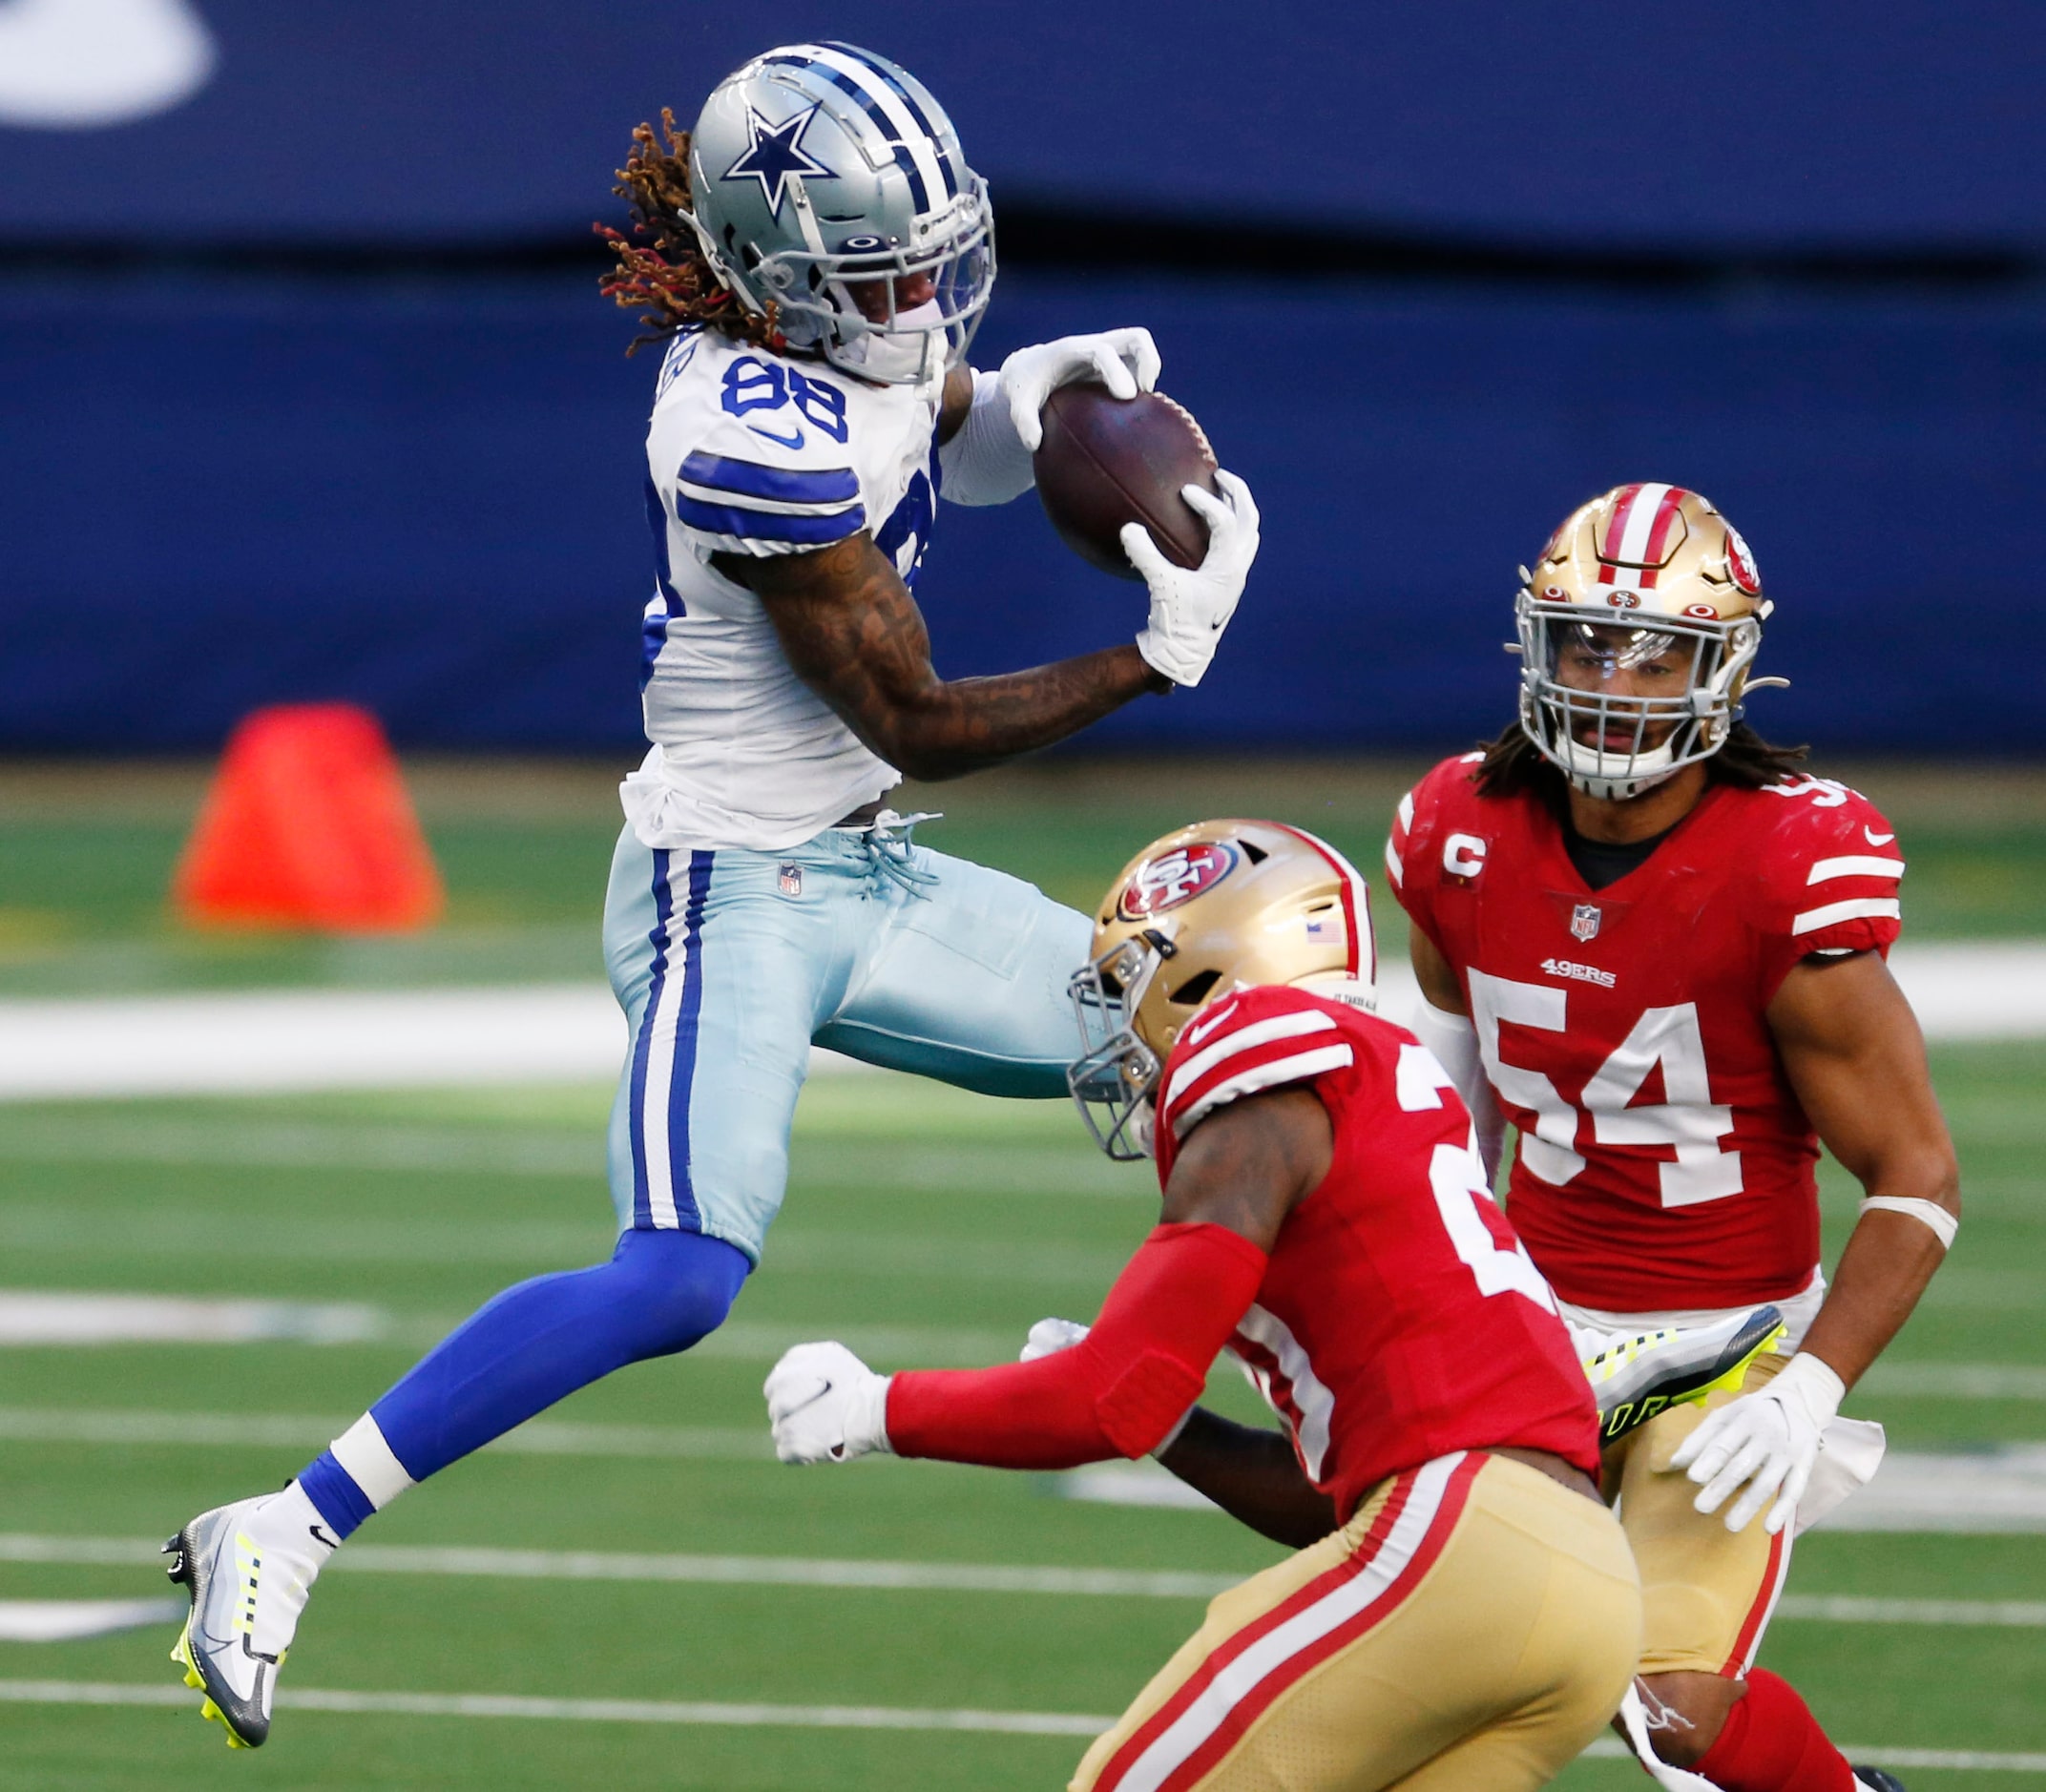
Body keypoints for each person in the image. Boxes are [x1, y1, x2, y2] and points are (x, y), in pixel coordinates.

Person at [163, 41, 1261, 1751]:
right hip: (726, 890)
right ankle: (288, 1524)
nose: (917, 303)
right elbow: (909, 716)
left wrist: (1026, 399)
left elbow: (939, 435)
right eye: (877, 274)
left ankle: (1368, 1391)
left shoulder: (840, 338)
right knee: (679, 1274)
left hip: (865, 869)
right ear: (771, 272)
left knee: (1223, 1030)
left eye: (929, 260)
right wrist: (1150, 658)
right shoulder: (735, 432)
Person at [766, 818, 1659, 1792]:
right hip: (1585, 1589)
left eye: (1125, 984)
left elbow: (1114, 1396)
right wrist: (1181, 1434)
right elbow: (1339, 1500)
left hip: (1462, 1542)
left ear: (1202, 965)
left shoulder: (1256, 1043)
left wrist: (873, 1408)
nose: (1119, 1025)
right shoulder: (1381, 1084)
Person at [1383, 484, 1957, 1792]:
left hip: (1726, 1346)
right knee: (1417, 1671)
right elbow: (1449, 1097)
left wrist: (1810, 1385)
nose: (1616, 682)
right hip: (1528, 1335)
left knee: (1674, 1713)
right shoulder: (1457, 829)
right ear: (1537, 646)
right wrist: (1411, 1284)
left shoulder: (1784, 865)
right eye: (1589, 643)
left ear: (1729, 670)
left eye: (1660, 654)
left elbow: (1917, 1173)